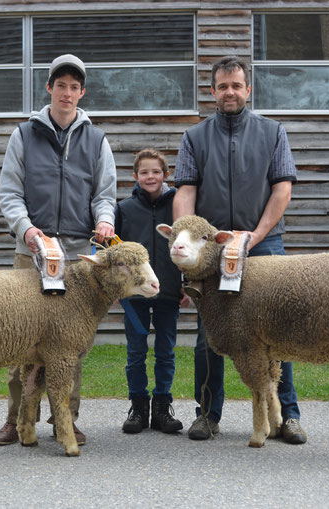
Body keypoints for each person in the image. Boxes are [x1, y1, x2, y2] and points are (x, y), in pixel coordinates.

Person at [172, 56, 308, 444]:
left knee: (278, 332)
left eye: (236, 85)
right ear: (212, 91)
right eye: (222, 86)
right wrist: (187, 243)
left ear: (248, 89)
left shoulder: (273, 132)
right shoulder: (194, 138)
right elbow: (185, 193)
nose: (229, 92)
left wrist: (255, 235)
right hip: (211, 253)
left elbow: (282, 189)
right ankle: (207, 415)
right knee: (208, 335)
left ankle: (288, 417)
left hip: (264, 245)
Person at [0, 54, 117, 447]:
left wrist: (104, 221)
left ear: (82, 92)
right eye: (60, 85)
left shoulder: (96, 139)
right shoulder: (23, 135)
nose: (67, 93)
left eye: (74, 87)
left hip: (78, 255)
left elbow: (105, 194)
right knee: (21, 337)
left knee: (71, 343)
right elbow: (10, 193)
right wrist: (27, 232)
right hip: (30, 252)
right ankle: (15, 418)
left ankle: (66, 418)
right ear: (49, 88)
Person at [114, 149, 189, 435]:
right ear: (135, 177)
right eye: (144, 172)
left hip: (169, 292)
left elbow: (187, 247)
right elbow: (115, 252)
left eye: (156, 172)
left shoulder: (178, 207)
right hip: (135, 296)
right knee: (135, 351)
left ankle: (161, 407)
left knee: (165, 351)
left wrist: (185, 285)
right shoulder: (125, 209)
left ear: (166, 175)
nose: (150, 177)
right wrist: (120, 286)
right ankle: (138, 407)